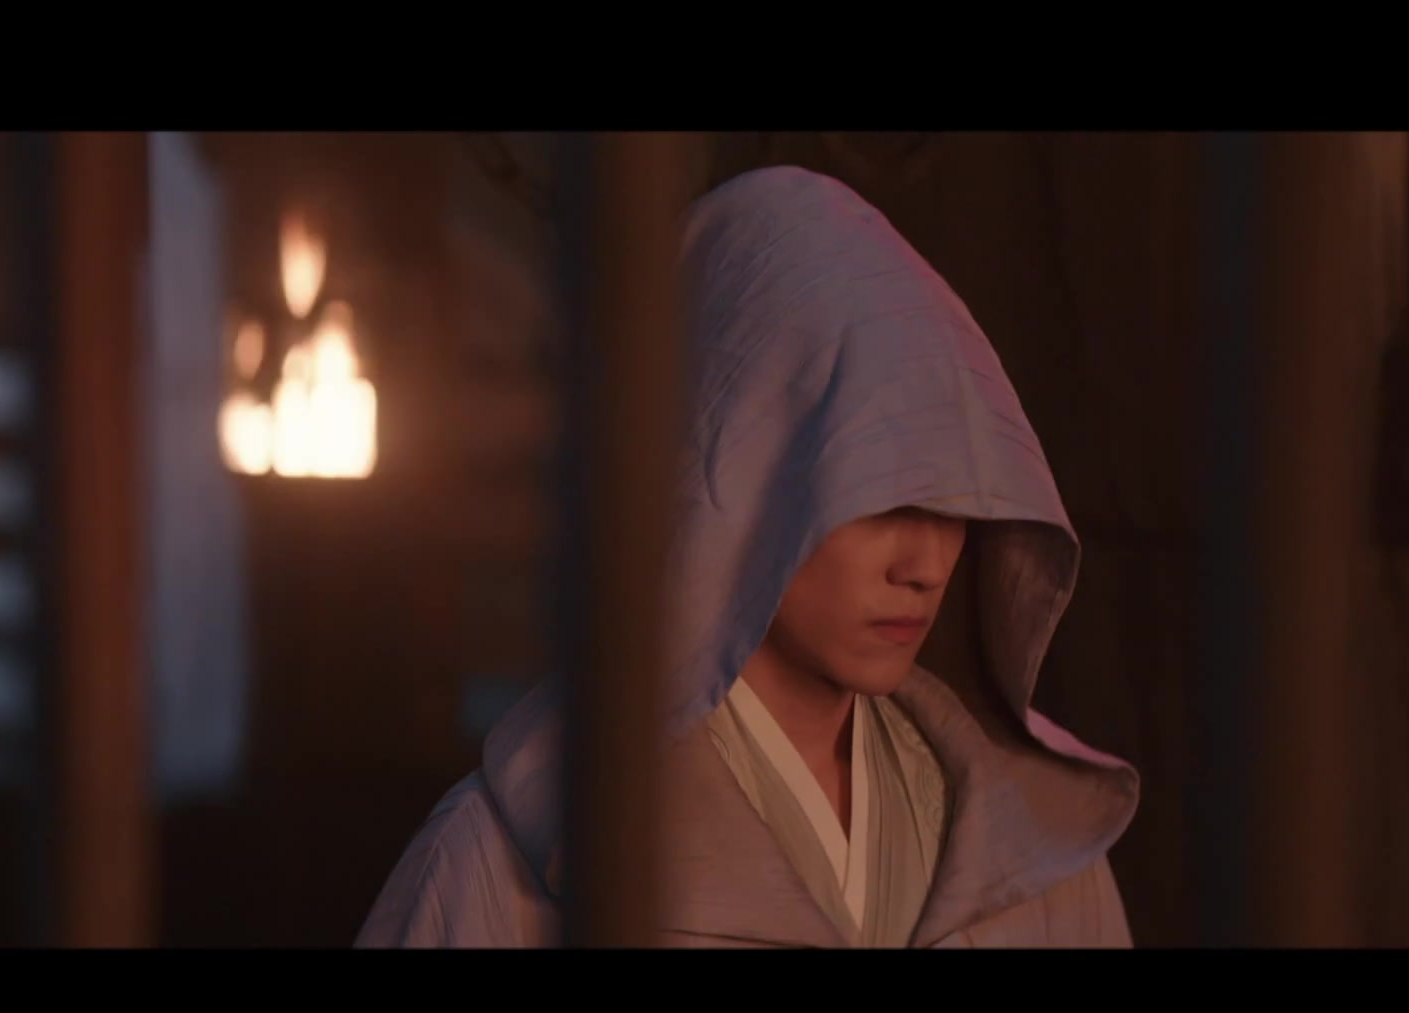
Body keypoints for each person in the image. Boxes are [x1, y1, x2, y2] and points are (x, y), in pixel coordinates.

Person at [356, 165, 1139, 948]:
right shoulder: (511, 862)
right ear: (747, 472)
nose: (925, 567)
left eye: (954, 505)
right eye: (879, 496)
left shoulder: (1038, 858)